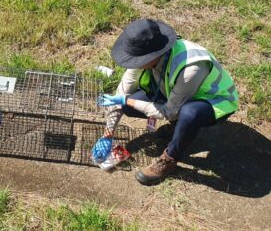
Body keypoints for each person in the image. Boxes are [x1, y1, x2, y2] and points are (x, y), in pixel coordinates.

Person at [91, 19, 239, 185]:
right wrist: (108, 134)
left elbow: (169, 111)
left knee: (189, 113)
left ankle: (170, 159)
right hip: (177, 94)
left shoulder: (190, 68)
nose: (132, 63)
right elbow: (122, 93)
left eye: (135, 60)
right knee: (127, 104)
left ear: (151, 55)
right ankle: (177, 127)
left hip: (214, 100)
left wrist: (128, 100)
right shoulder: (143, 57)